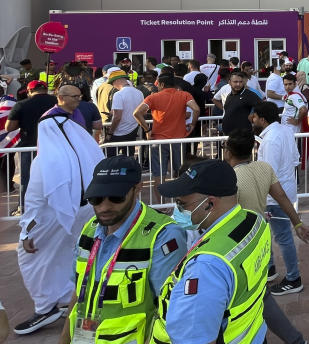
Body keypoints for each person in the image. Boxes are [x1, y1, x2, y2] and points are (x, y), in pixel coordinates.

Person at [59, 156, 188, 344]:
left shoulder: (163, 236)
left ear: (138, 188)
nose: (104, 206)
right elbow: (79, 292)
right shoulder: (89, 231)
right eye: (96, 198)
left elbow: (169, 310)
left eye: (116, 197)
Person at [16, 86, 104, 335]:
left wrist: (26, 234)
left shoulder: (45, 161)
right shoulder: (83, 151)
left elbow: (34, 202)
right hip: (85, 214)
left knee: (31, 259)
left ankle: (45, 307)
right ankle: (67, 298)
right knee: (71, 256)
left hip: (53, 217)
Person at [153, 160, 271, 344]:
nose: (178, 210)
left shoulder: (206, 267)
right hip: (254, 333)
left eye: (182, 204)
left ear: (209, 204)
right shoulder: (254, 221)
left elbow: (196, 338)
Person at [222, 131, 309, 344]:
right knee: (260, 295)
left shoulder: (229, 177)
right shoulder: (264, 168)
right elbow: (281, 197)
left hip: (238, 245)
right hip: (258, 237)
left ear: (229, 151)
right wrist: (297, 222)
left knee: (251, 298)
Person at [248, 102, 304, 296]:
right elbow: (295, 159)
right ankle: (270, 268)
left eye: (254, 117)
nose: (252, 120)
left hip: (275, 196)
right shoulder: (285, 131)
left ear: (262, 119)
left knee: (283, 237)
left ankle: (293, 278)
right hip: (284, 190)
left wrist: (261, 197)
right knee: (268, 233)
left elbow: (267, 175)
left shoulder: (271, 140)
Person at [5, 80, 58, 214]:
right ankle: (53, 207)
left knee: (27, 179)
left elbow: (9, 127)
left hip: (29, 147)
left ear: (29, 91)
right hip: (55, 147)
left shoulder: (22, 104)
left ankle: (23, 207)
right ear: (45, 90)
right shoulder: (57, 102)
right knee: (54, 177)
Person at [133, 74, 200, 179]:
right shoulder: (185, 95)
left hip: (158, 141)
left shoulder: (153, 97)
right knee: (180, 172)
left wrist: (147, 130)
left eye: (158, 84)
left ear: (162, 84)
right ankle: (179, 195)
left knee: (159, 174)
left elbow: (136, 113)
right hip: (178, 140)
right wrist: (192, 124)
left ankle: (161, 196)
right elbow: (196, 109)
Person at [104, 72, 144, 156]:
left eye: (112, 83)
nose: (113, 85)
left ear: (117, 81)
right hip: (133, 130)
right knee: (128, 158)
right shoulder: (139, 93)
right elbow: (141, 112)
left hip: (118, 132)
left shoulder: (118, 94)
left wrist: (110, 133)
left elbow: (117, 117)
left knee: (110, 158)